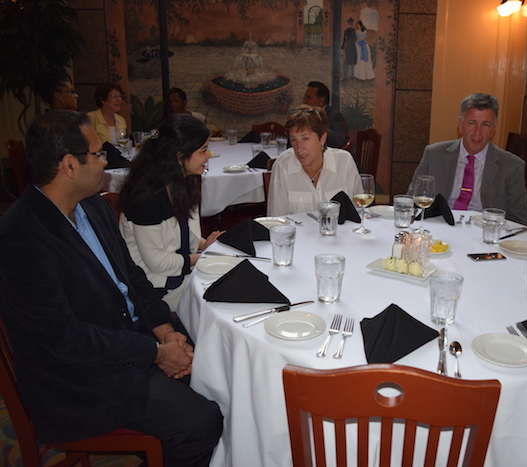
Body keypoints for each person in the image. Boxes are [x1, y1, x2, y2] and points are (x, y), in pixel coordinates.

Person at [0, 111, 223, 466]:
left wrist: (165, 332)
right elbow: (66, 339)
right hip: (78, 381)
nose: (106, 161)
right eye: (98, 154)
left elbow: (133, 278)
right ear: (70, 165)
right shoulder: (20, 236)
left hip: (124, 342)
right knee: (203, 422)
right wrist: (155, 352)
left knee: (220, 357)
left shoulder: (93, 207)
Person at [118, 114, 224, 312]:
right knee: (225, 298)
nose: (208, 155)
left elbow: (185, 237)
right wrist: (205, 256)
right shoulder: (146, 198)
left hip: (179, 274)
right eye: (203, 150)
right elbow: (159, 264)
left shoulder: (183, 181)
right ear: (179, 156)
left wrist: (205, 245)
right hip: (157, 288)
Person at [408, 93, 527, 225]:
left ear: (493, 129)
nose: (477, 132)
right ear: (460, 125)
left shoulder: (512, 166)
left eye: (485, 124)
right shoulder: (433, 155)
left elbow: (519, 222)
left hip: (484, 234)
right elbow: (411, 202)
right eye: (472, 123)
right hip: (441, 227)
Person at [267, 104, 359, 216]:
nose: (299, 147)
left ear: (322, 138)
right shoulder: (282, 166)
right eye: (294, 140)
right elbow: (277, 222)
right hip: (298, 234)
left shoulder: (344, 162)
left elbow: (358, 213)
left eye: (305, 139)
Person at [302, 81, 350, 149]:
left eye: (308, 98)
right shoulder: (303, 114)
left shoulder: (334, 115)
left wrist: (317, 127)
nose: (304, 101)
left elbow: (339, 140)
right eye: (305, 97)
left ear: (321, 101)